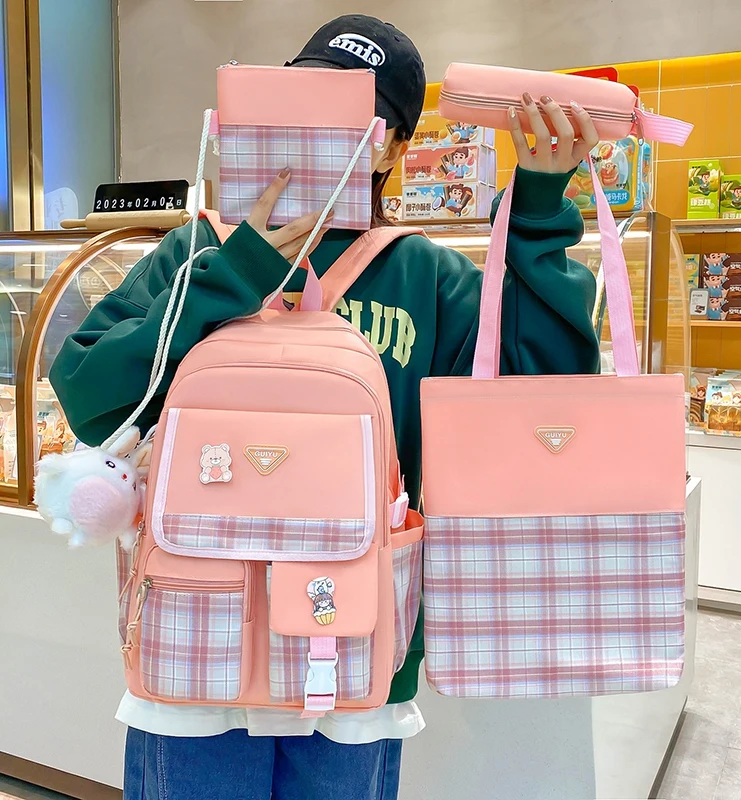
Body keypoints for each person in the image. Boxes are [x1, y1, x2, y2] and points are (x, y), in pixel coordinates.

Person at [50, 13, 601, 800]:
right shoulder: (200, 249)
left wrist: (540, 205)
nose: (315, 125)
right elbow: (89, 397)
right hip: (196, 640)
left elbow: (541, 408)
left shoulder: (428, 279)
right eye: (300, 95)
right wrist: (232, 273)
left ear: (393, 147)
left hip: (352, 648)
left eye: (352, 113)